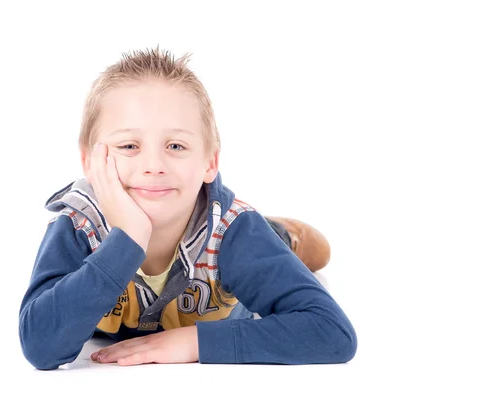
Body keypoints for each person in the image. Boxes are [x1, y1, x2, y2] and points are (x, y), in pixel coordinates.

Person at [18, 47, 357, 370]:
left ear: (210, 162)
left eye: (176, 145)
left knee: (287, 245)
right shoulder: (79, 226)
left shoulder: (232, 232)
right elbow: (40, 346)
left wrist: (195, 342)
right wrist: (128, 239)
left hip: (237, 239)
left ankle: (281, 236)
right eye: (129, 145)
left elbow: (332, 333)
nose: (153, 165)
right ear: (89, 161)